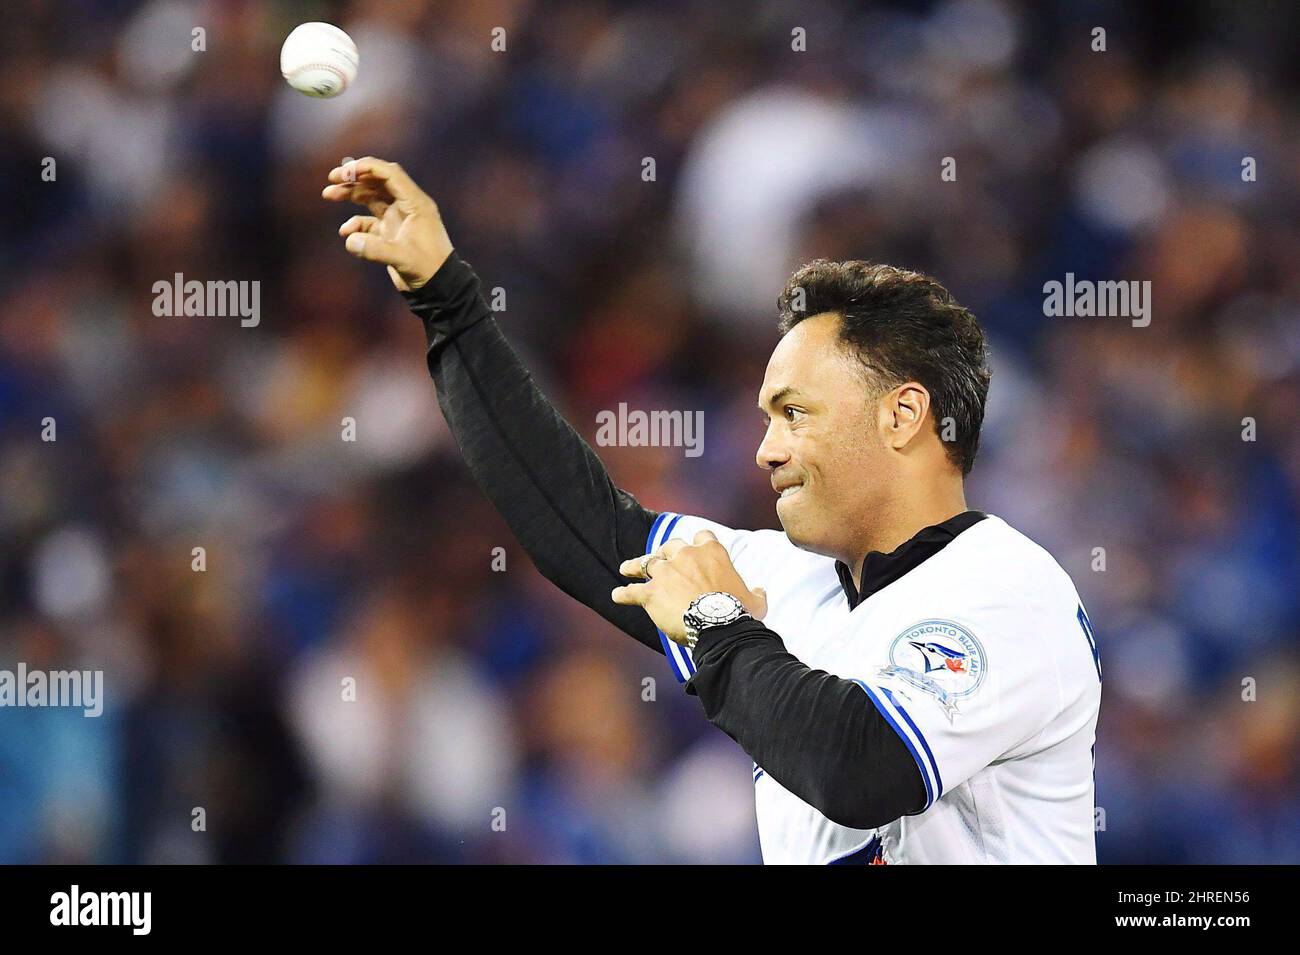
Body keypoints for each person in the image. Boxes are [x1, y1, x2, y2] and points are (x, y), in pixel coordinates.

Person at [322, 157, 1102, 864]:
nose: (765, 450)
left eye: (796, 412)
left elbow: (862, 768)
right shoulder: (784, 575)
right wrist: (448, 301)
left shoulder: (1007, 591)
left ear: (901, 416)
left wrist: (719, 626)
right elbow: (584, 528)